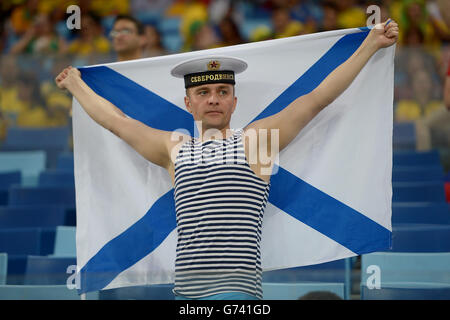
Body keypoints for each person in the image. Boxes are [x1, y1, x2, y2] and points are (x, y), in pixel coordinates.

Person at [55, 20, 399, 300]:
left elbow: (317, 98)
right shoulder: (174, 148)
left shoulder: (255, 141)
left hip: (240, 295)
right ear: (188, 104)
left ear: (234, 102)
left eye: (222, 92)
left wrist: (370, 44)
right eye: (203, 93)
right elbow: (117, 121)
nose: (213, 100)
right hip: (185, 297)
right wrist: (76, 85)